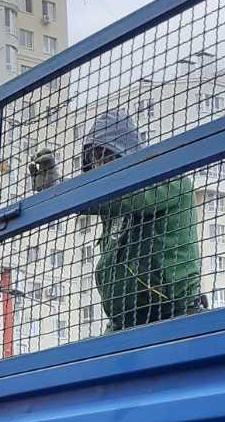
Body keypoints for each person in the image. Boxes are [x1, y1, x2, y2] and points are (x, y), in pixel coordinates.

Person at [83, 109, 202, 332]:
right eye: (95, 157)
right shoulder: (113, 208)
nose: (99, 164)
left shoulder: (168, 179)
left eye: (105, 155)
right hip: (123, 324)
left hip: (175, 316)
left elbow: (127, 197)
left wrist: (61, 191)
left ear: (124, 153)